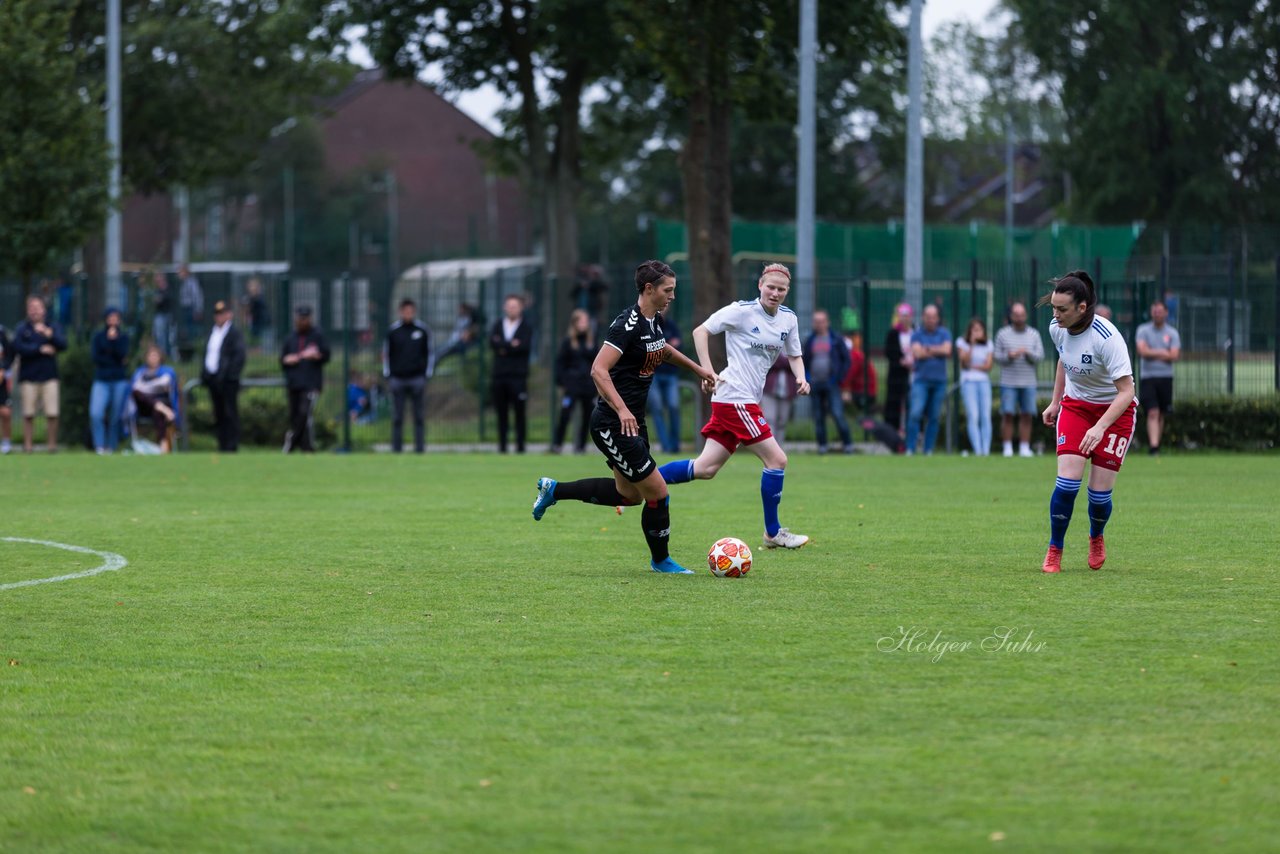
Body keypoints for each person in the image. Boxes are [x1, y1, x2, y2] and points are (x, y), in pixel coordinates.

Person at [530, 260, 717, 575]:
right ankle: (661, 561)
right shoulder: (626, 325)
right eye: (668, 290)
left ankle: (554, 490)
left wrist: (699, 369)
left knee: (628, 496)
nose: (672, 296)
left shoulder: (653, 320)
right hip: (612, 424)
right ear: (649, 289)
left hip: (631, 423)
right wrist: (622, 409)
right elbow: (598, 370)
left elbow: (664, 351)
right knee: (658, 492)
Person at [657, 262, 812, 550]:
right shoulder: (741, 311)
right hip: (734, 397)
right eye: (771, 287)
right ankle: (773, 532)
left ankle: (643, 481)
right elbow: (700, 331)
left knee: (705, 468)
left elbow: (795, 354)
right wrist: (707, 370)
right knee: (777, 460)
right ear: (760, 286)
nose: (775, 293)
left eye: (781, 289)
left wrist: (801, 377)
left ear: (787, 291)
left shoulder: (788, 320)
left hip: (742, 400)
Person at [1039, 270, 1135, 574]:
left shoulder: (1107, 338)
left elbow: (1127, 391)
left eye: (1062, 309)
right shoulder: (1057, 327)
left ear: (1082, 308)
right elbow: (1064, 358)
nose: (1056, 315)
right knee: (1067, 483)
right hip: (1076, 408)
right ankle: (1055, 548)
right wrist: (1056, 402)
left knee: (1098, 495)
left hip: (1115, 412)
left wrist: (1100, 426)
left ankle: (1096, 536)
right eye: (1054, 307)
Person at [13, 295, 67, 453]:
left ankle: (52, 446)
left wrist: (48, 334)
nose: (35, 311)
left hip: (49, 376)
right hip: (29, 376)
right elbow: (18, 347)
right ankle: (28, 446)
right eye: (32, 308)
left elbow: (63, 344)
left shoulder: (53, 327)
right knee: (28, 414)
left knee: (52, 413)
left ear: (44, 310)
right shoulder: (22, 328)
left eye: (38, 307)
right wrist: (40, 349)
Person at [994, 301, 1045, 457]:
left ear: (1026, 316)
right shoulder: (1002, 334)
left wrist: (1028, 354)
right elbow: (997, 357)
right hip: (1008, 382)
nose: (1019, 318)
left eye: (1022, 315)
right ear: (1011, 316)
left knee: (1027, 415)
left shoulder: (1034, 334)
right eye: (1016, 315)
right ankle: (1007, 447)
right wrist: (1009, 356)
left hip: (1028, 382)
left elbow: (1040, 356)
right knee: (1008, 414)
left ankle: (1024, 447)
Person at [280, 305, 331, 453]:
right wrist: (287, 359)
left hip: (310, 383)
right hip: (293, 383)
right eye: (300, 318)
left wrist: (316, 355)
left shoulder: (318, 336)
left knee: (304, 413)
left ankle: (292, 439)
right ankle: (305, 447)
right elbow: (282, 359)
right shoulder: (290, 338)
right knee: (295, 416)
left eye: (305, 318)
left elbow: (326, 355)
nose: (302, 321)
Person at [383, 298, 431, 453]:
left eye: (410, 311)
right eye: (405, 311)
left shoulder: (422, 330)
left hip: (417, 378)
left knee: (419, 416)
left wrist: (426, 375)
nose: (408, 314)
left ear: (414, 312)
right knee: (397, 416)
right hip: (397, 378)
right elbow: (386, 354)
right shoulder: (393, 331)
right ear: (400, 312)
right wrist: (388, 375)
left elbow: (429, 353)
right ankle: (396, 449)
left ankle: (420, 448)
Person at [803, 309, 853, 454]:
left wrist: (839, 378)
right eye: (816, 322)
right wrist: (807, 377)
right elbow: (804, 361)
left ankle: (848, 444)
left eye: (822, 321)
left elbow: (846, 360)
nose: (819, 324)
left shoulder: (836, 339)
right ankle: (822, 446)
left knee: (837, 414)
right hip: (815, 383)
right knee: (818, 417)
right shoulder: (810, 341)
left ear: (827, 322)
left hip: (831, 383)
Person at [904, 304, 952, 455]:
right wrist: (937, 350)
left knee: (934, 416)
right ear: (923, 317)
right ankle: (910, 448)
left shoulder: (945, 333)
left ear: (937, 318)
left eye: (934, 317)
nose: (931, 320)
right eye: (928, 317)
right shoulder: (917, 334)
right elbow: (917, 354)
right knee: (915, 414)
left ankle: (928, 449)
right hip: (921, 381)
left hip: (939, 381)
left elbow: (947, 350)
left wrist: (928, 349)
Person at [1135, 299, 1181, 456]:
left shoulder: (1172, 333)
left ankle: (1157, 444)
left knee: (1161, 413)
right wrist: (1163, 352)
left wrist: (1152, 352)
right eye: (1155, 311)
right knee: (1152, 412)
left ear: (1166, 313)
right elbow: (1142, 351)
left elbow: (1174, 355)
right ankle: (1153, 447)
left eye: (1160, 311)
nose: (1157, 314)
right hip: (1148, 377)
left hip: (1166, 377)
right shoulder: (1143, 330)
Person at [489, 294, 533, 453]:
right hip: (499, 376)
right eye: (509, 306)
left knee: (519, 412)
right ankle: (502, 447)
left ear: (521, 308)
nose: (512, 309)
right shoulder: (497, 324)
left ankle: (520, 447)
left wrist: (504, 347)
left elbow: (523, 347)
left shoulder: (526, 327)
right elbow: (492, 343)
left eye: (515, 306)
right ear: (504, 307)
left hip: (518, 377)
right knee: (501, 413)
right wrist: (511, 345)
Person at [201, 300, 245, 452]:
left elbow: (239, 357)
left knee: (230, 413)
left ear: (229, 315)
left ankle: (231, 446)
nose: (220, 317)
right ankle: (222, 444)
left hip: (228, 380)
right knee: (218, 413)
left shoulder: (234, 333)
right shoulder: (212, 332)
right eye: (217, 314)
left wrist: (228, 374)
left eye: (223, 313)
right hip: (213, 379)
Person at [552, 308, 598, 454]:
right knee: (565, 414)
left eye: (586, 321)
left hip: (588, 386)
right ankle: (557, 444)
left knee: (587, 417)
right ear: (575, 323)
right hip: (572, 385)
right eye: (581, 321)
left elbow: (598, 362)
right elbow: (560, 363)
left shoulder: (592, 341)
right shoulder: (568, 342)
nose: (584, 324)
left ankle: (581, 446)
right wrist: (562, 382)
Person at [89, 307, 132, 454]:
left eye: (116, 317)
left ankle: (112, 446)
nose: (113, 320)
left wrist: (113, 344)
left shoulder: (123, 337)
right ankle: (99, 445)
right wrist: (109, 344)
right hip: (102, 379)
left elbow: (122, 355)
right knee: (96, 413)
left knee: (116, 415)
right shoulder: (98, 337)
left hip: (119, 380)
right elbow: (96, 358)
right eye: (110, 317)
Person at [129, 344, 180, 453]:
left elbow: (165, 384)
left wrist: (146, 387)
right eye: (151, 356)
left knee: (157, 410)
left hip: (164, 404)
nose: (153, 358)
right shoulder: (140, 372)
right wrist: (152, 388)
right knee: (137, 393)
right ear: (146, 358)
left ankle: (163, 444)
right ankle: (160, 407)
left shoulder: (168, 371)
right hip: (145, 407)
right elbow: (135, 388)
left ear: (160, 357)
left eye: (155, 356)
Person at [956, 317, 994, 456]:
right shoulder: (962, 343)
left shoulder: (988, 344)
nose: (976, 332)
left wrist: (975, 366)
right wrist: (971, 345)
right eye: (974, 329)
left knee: (985, 415)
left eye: (979, 329)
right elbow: (964, 362)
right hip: (968, 382)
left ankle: (986, 450)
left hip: (983, 382)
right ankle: (978, 450)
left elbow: (988, 366)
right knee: (973, 415)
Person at [646, 304, 682, 452]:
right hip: (653, 374)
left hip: (670, 374)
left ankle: (675, 445)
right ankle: (665, 446)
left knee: (674, 406)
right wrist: (667, 345)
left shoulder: (672, 326)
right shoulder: (648, 326)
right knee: (657, 408)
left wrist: (663, 347)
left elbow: (678, 347)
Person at [883, 303, 914, 432]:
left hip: (913, 373)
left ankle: (912, 431)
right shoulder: (893, 333)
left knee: (911, 403)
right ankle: (892, 431)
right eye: (901, 316)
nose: (904, 319)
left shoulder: (916, 332)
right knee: (894, 403)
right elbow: (889, 352)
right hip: (896, 374)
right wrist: (901, 361)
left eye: (906, 316)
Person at [762, 353, 798, 443]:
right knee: (770, 420)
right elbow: (770, 361)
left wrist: (784, 361)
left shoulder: (793, 346)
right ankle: (771, 447)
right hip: (769, 390)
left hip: (787, 392)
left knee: (782, 422)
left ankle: (779, 448)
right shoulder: (771, 343)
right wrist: (789, 360)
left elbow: (799, 362)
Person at [840, 329, 878, 415]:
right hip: (862, 390)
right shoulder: (856, 353)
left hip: (864, 392)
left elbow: (849, 376)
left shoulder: (855, 355)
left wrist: (841, 388)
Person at [178, 264, 204, 358]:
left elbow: (197, 296)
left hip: (191, 309)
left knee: (193, 332)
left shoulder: (191, 282)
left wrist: (198, 310)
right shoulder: (184, 283)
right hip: (186, 309)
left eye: (180, 272)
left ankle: (196, 353)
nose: (179, 274)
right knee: (188, 332)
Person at [149, 270, 175, 357]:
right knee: (160, 336)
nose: (157, 281)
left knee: (169, 337)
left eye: (158, 278)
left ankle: (169, 355)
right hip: (159, 315)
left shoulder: (169, 288)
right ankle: (162, 355)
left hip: (169, 314)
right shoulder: (156, 290)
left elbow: (165, 300)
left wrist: (160, 299)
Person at [0, 323, 13, 454]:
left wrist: (3, 368)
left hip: (1, 378)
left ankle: (6, 442)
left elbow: (9, 354)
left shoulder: (2, 332)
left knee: (5, 412)